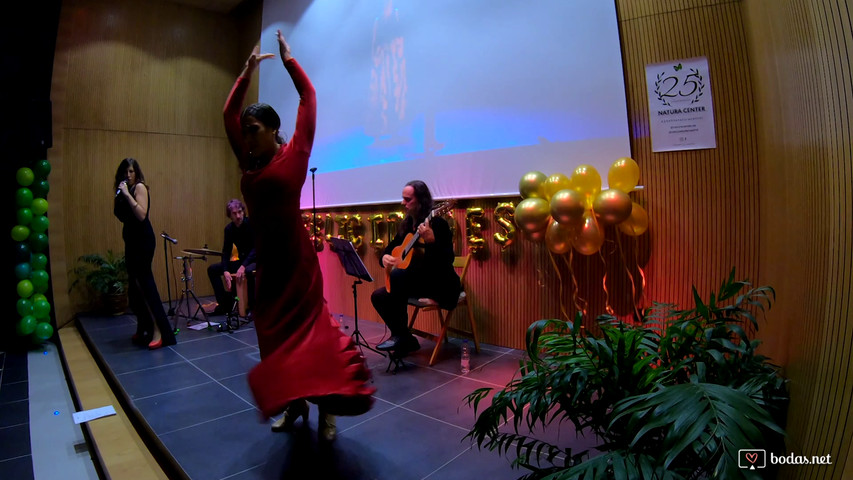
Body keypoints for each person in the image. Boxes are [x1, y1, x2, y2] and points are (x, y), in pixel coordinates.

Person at [223, 30, 375, 442]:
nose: (247, 136)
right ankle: (294, 406)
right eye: (246, 131)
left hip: (298, 266)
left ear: (274, 130)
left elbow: (308, 98)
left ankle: (327, 411)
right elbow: (226, 115)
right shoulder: (248, 164)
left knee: (314, 342)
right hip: (268, 269)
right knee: (274, 342)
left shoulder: (295, 155)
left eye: (253, 129)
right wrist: (246, 72)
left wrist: (290, 61)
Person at [371, 180, 460, 352]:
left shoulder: (437, 224)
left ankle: (401, 338)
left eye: (408, 199)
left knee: (397, 278)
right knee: (378, 296)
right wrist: (385, 258)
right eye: (403, 199)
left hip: (438, 283)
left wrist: (431, 241)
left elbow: (447, 260)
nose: (403, 203)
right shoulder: (407, 225)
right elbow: (388, 250)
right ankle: (404, 336)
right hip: (414, 283)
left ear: (421, 201)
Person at [113, 158, 176, 350]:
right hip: (131, 241)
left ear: (137, 172)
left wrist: (126, 194)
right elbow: (122, 215)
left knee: (146, 285)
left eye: (131, 171)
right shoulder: (122, 191)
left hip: (143, 242)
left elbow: (141, 214)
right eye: (125, 172)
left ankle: (160, 330)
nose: (128, 175)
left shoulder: (140, 188)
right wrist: (120, 195)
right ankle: (144, 326)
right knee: (135, 288)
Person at [207, 199, 256, 316]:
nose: (238, 216)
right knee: (212, 270)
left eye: (240, 212)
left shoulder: (251, 224)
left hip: (255, 259)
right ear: (230, 215)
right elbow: (226, 252)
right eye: (234, 213)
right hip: (242, 261)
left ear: (244, 212)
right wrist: (225, 270)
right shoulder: (229, 229)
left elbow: (256, 248)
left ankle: (252, 308)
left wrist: (243, 266)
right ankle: (224, 305)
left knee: (249, 271)